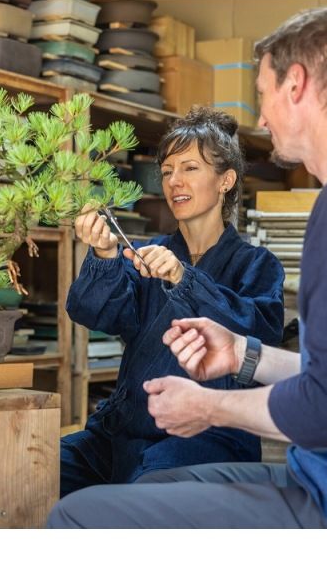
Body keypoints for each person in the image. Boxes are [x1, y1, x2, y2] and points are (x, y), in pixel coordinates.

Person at [48, 6, 327, 528]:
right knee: (46, 474)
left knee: (78, 516)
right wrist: (240, 352)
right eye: (167, 170)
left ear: (297, 84)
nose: (261, 118)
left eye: (262, 92)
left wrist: (209, 407)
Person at [60, 107, 285, 497]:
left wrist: (185, 279)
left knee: (141, 495)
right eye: (167, 171)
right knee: (35, 470)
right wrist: (105, 255)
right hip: (120, 435)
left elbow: (259, 335)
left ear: (226, 180)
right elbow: (91, 312)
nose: (174, 181)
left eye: (190, 168)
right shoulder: (149, 252)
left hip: (208, 438)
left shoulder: (257, 264)